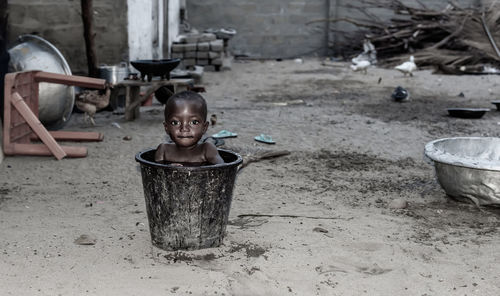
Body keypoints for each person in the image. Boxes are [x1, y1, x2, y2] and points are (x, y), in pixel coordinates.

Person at [154, 90, 224, 166]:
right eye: (175, 123)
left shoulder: (207, 150)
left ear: (204, 127)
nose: (184, 129)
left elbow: (223, 169)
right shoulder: (163, 150)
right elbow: (152, 173)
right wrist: (168, 169)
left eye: (194, 122)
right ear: (166, 127)